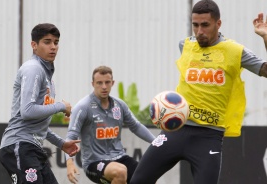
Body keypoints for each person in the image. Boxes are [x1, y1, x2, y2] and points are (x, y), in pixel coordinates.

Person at [130, 1, 267, 184]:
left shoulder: (235, 51)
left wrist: (265, 37)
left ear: (218, 24)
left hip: (209, 137)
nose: (199, 31)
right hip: (175, 131)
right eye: (195, 25)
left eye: (205, 25)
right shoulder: (185, 45)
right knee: (138, 180)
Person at [0, 23, 80, 184]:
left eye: (56, 42)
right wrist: (61, 106)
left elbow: (39, 124)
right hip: (19, 145)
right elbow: (27, 111)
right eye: (47, 41)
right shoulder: (33, 69)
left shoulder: (47, 77)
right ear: (34, 45)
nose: (53, 47)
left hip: (31, 148)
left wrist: (61, 144)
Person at [65, 65, 156, 184]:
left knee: (148, 177)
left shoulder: (119, 105)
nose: (104, 86)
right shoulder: (83, 107)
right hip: (94, 163)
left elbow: (136, 126)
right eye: (99, 83)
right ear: (93, 84)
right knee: (120, 171)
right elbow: (71, 137)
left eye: (107, 82)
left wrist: (156, 142)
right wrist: (69, 162)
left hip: (119, 157)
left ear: (112, 83)